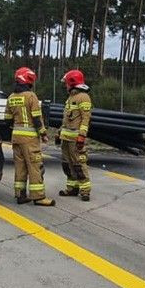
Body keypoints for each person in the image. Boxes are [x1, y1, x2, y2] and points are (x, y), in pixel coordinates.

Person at [2, 67, 54, 206]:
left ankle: (20, 195)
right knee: (34, 166)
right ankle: (38, 197)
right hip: (30, 139)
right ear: (29, 81)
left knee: (20, 166)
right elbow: (37, 118)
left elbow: (7, 120)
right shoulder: (31, 96)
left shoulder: (11, 97)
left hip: (16, 138)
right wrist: (43, 133)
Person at [58, 69, 92, 201]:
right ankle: (72, 188)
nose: (65, 85)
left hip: (76, 138)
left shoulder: (83, 97)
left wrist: (82, 136)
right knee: (67, 164)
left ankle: (85, 190)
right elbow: (67, 118)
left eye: (66, 83)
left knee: (78, 163)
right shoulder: (71, 97)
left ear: (72, 82)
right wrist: (60, 131)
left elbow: (85, 119)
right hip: (66, 138)